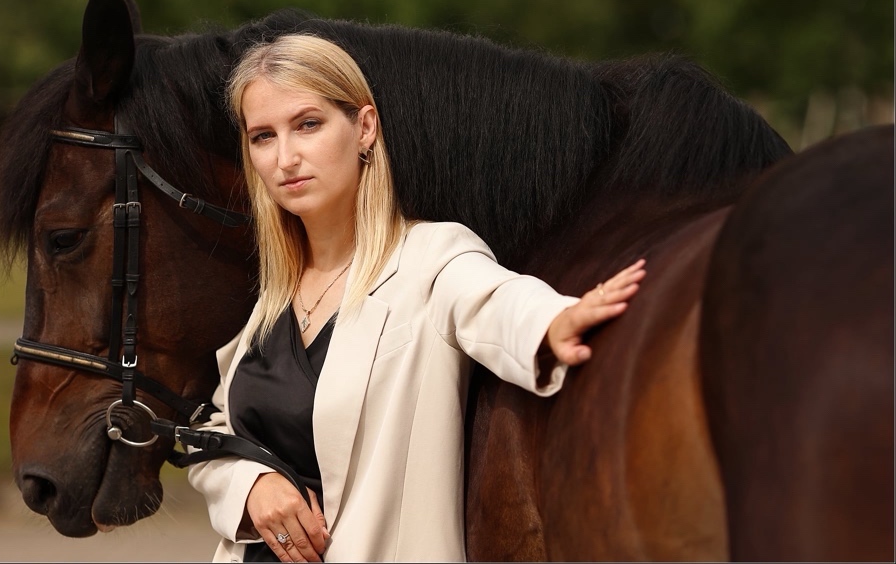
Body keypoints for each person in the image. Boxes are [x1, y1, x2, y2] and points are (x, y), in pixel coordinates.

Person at [188, 34, 646, 563]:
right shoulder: (272, 299)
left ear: (364, 127)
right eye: (262, 136)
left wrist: (557, 320)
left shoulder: (430, 258)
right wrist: (251, 486)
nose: (285, 157)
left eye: (308, 124)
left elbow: (494, 302)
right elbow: (214, 433)